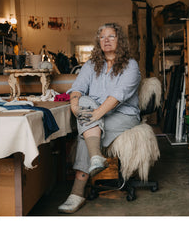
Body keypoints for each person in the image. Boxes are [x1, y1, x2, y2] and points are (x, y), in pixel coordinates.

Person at [58, 23, 141, 214]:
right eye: (102, 37)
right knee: (85, 103)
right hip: (92, 113)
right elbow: (77, 87)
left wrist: (93, 115)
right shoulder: (90, 65)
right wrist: (75, 108)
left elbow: (118, 95)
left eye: (111, 36)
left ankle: (77, 193)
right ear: (98, 42)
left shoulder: (131, 65)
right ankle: (96, 157)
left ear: (120, 40)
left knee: (85, 132)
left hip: (123, 115)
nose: (106, 40)